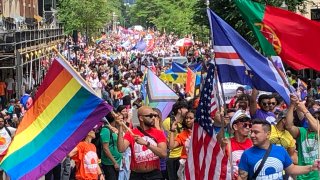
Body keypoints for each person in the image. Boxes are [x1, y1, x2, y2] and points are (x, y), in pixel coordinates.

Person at [238, 119, 320, 180]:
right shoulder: (247, 154)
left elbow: (291, 169)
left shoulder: (280, 150)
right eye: (251, 132)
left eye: (256, 132)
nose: (252, 135)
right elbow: (242, 177)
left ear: (268, 134)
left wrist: (312, 167)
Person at [117, 106, 167, 180]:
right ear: (141, 118)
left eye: (154, 115)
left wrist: (146, 144)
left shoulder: (159, 133)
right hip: (136, 175)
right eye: (150, 116)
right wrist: (120, 127)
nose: (153, 118)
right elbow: (121, 149)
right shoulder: (131, 133)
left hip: (154, 174)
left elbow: (163, 154)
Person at [285, 94, 320, 180]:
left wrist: (304, 109)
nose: (316, 120)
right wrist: (292, 105)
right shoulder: (302, 131)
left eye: (318, 118)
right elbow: (289, 126)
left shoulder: (318, 132)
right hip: (302, 175)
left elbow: (317, 127)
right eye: (314, 117)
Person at [162, 100, 189, 180]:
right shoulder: (168, 122)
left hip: (182, 157)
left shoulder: (185, 123)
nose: (187, 110)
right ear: (179, 110)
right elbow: (165, 138)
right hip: (171, 157)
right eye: (185, 108)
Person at [169, 110, 195, 180]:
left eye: (191, 118)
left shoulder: (202, 132)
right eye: (186, 118)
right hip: (186, 166)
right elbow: (171, 146)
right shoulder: (183, 134)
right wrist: (172, 130)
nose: (188, 120)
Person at [228, 110, 252, 179]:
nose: (248, 127)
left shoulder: (253, 144)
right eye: (245, 125)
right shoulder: (227, 143)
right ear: (235, 127)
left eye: (250, 125)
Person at [100, 113, 122, 180]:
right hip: (109, 163)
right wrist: (114, 162)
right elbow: (105, 148)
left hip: (117, 162)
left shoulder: (114, 129)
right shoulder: (106, 130)